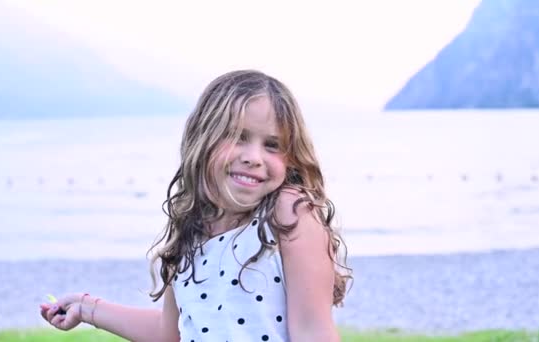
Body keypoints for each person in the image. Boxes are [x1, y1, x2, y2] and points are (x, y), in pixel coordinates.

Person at [40, 69, 352, 341]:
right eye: (237, 137)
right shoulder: (191, 231)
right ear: (202, 140)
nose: (254, 157)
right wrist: (87, 308)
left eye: (272, 145)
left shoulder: (289, 214)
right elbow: (172, 332)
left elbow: (313, 332)